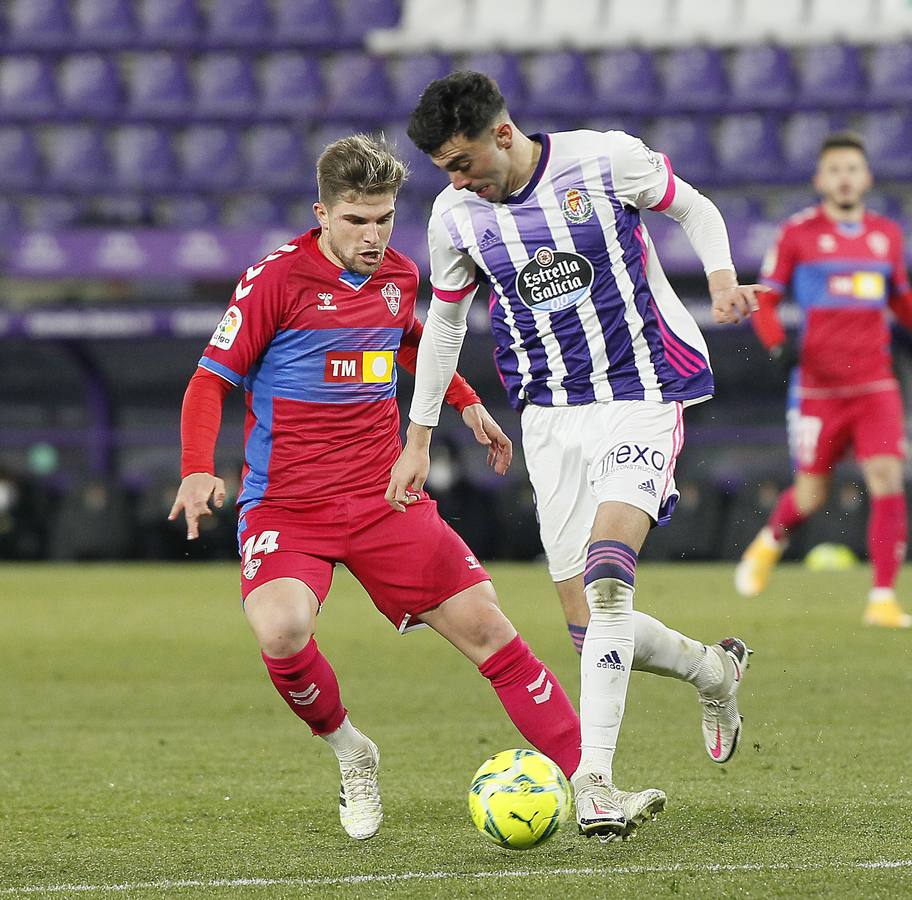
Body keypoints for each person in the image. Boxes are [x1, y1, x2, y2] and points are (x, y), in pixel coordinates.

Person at [168, 135, 588, 842]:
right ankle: (350, 751)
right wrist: (195, 466)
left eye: (384, 219)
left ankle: (594, 783)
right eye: (356, 220)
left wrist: (465, 402)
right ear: (322, 215)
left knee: (491, 630)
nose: (372, 235)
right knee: (281, 631)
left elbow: (411, 339)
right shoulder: (275, 280)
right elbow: (210, 380)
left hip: (382, 497)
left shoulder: (397, 276)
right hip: (288, 506)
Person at [389, 72, 757, 842]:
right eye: (443, 171)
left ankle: (593, 782)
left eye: (462, 163)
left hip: (642, 390)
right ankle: (712, 671)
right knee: (590, 625)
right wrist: (418, 437)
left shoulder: (601, 160)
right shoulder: (456, 216)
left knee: (608, 573)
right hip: (549, 419)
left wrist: (721, 277)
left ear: (501, 134)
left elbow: (691, 206)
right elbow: (445, 326)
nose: (456, 182)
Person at [733, 131, 912, 628]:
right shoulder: (797, 233)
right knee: (810, 495)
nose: (844, 178)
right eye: (835, 170)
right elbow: (766, 301)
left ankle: (883, 598)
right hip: (819, 389)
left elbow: (900, 296)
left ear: (867, 177)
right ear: (820, 180)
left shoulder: (886, 234)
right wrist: (776, 343)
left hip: (875, 385)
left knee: (887, 479)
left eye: (852, 169)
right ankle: (770, 540)